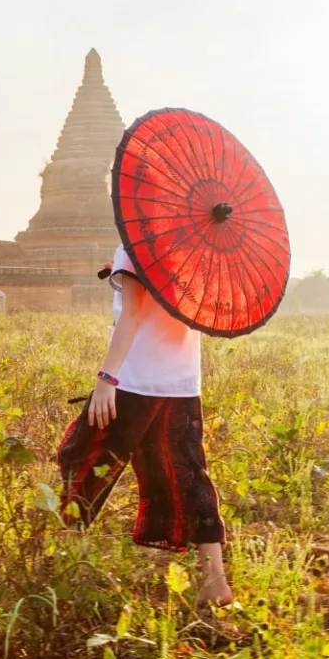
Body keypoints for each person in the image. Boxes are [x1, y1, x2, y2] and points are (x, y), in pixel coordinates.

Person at [56, 244, 231, 606]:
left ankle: (64, 561)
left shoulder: (137, 248)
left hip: (133, 383)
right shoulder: (192, 253)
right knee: (189, 473)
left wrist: (107, 379)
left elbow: (132, 317)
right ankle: (214, 580)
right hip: (181, 383)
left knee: (85, 459)